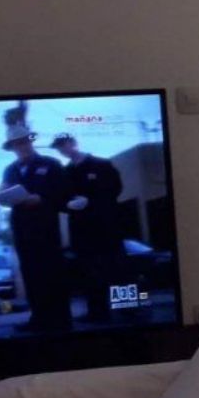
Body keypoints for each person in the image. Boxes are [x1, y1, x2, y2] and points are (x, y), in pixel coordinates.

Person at [0, 122, 71, 332]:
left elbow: (64, 194)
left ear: (30, 142)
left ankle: (61, 320)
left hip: (45, 228)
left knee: (52, 272)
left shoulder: (51, 164)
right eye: (16, 144)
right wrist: (3, 196)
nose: (21, 146)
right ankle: (38, 318)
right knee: (31, 273)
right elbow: (5, 196)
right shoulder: (10, 170)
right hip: (22, 230)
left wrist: (41, 199)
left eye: (24, 141)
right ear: (12, 147)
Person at [53, 133, 126, 321]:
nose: (62, 149)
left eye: (64, 144)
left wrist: (91, 201)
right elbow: (60, 199)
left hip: (106, 226)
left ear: (73, 143)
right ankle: (97, 312)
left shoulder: (101, 164)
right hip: (81, 230)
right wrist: (68, 205)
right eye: (59, 147)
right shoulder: (66, 172)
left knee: (117, 268)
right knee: (89, 271)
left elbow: (115, 189)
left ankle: (128, 309)